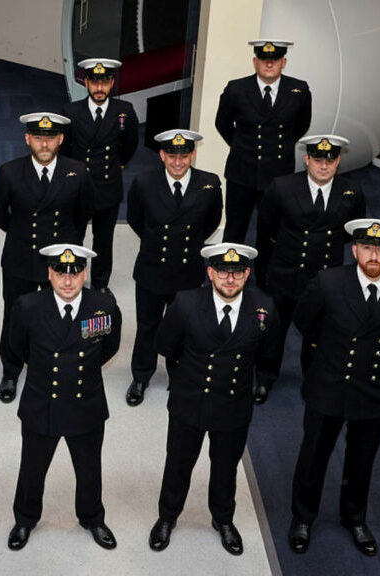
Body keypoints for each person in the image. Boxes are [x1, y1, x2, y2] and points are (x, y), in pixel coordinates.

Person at [288, 218, 380, 557]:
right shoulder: (328, 282)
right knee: (313, 457)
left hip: (376, 389)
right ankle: (303, 518)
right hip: (330, 385)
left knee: (362, 458)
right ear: (354, 249)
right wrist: (330, 354)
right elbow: (305, 322)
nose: (374, 255)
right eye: (367, 247)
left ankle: (354, 518)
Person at [151, 243, 277, 556]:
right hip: (189, 401)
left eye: (237, 272)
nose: (230, 279)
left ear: (247, 274)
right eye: (223, 271)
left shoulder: (263, 307)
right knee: (178, 463)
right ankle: (167, 517)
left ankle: (223, 520)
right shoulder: (186, 303)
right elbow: (167, 345)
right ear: (210, 272)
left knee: (225, 468)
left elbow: (268, 354)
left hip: (233, 405)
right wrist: (189, 376)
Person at [5, 244, 121, 551]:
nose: (67, 281)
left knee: (89, 468)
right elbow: (18, 346)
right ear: (49, 274)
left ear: (84, 274)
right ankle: (25, 519)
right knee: (32, 467)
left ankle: (93, 518)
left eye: (74, 273)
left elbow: (108, 348)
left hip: (86, 403)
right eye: (60, 273)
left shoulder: (103, 306)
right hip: (42, 402)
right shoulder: (28, 306)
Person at [0, 113, 94, 403]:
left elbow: (83, 213)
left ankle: (57, 367)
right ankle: (11, 371)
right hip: (20, 257)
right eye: (38, 137)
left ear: (61, 139)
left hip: (62, 263)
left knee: (60, 317)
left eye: (50, 137)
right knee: (14, 315)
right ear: (27, 139)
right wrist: (20, 232)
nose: (44, 143)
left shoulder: (78, 171)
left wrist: (68, 243)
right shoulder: (10, 172)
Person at [255, 135, 366, 396]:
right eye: (318, 160)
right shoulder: (282, 187)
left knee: (318, 332)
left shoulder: (351, 191)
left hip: (325, 276)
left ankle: (313, 378)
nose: (324, 166)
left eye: (330, 160)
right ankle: (264, 377)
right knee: (274, 330)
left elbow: (354, 231)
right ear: (307, 159)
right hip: (285, 272)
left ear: (338, 161)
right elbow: (265, 230)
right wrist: (266, 272)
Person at [125, 130, 222, 407]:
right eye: (172, 156)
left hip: (187, 269)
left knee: (184, 326)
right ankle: (141, 376)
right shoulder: (144, 182)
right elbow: (136, 220)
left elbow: (211, 221)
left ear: (192, 155)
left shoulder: (209, 183)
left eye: (184, 156)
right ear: (162, 155)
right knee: (147, 325)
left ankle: (179, 374)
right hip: (152, 267)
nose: (178, 162)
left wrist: (188, 244)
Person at [215, 39, 312, 243]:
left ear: (283, 62)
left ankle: (267, 274)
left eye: (275, 59)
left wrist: (280, 146)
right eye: (264, 59)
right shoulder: (236, 89)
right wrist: (242, 146)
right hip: (241, 171)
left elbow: (302, 125)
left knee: (272, 232)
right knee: (235, 228)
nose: (269, 64)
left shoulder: (299, 90)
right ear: (255, 61)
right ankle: (231, 273)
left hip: (278, 173)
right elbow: (222, 123)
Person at [61, 58, 139, 288]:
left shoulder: (124, 111)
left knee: (103, 241)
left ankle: (100, 285)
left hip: (108, 187)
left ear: (112, 83)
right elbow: (64, 151)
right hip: (78, 188)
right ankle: (72, 280)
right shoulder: (71, 111)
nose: (99, 88)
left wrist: (116, 166)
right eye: (94, 82)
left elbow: (129, 146)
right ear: (86, 82)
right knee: (73, 237)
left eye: (104, 82)